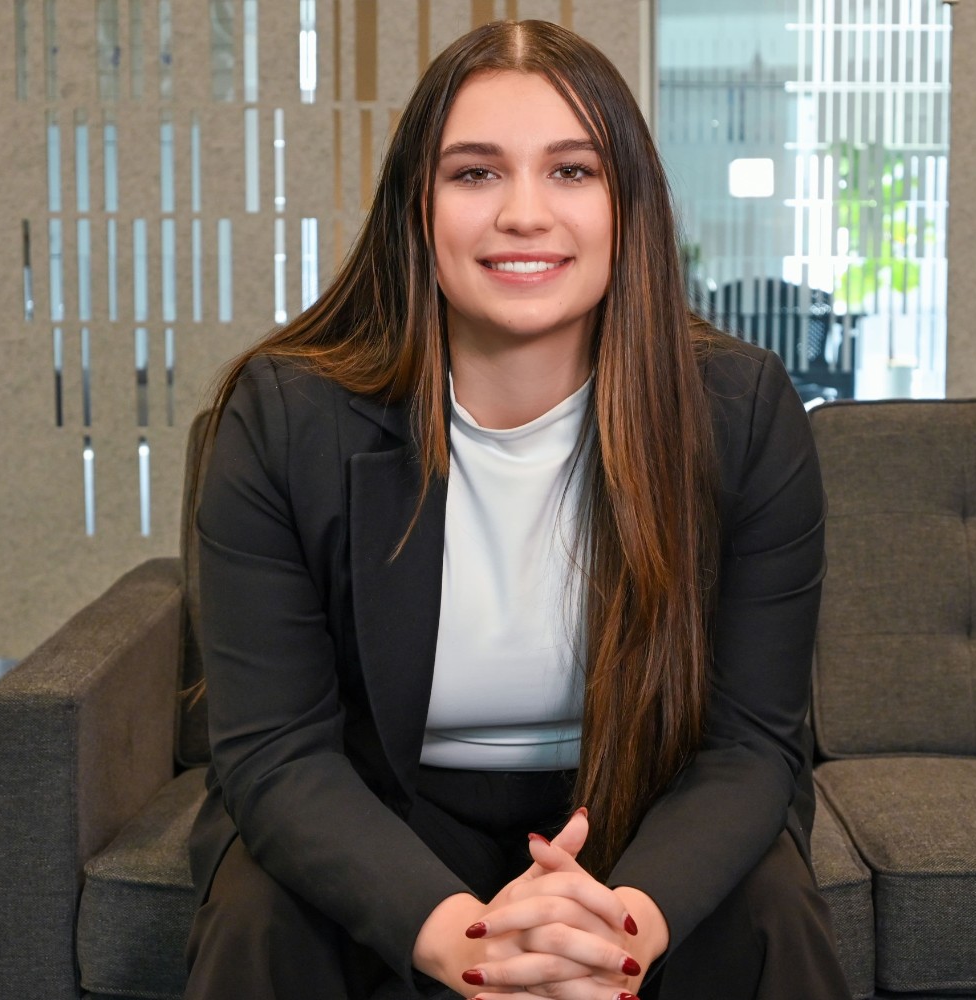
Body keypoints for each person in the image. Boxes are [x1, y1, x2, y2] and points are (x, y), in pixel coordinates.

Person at [183, 18, 850, 1000]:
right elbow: (277, 752)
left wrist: (622, 932)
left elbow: (752, 746)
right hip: (380, 809)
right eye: (476, 173)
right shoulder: (285, 418)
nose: (524, 214)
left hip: (639, 807)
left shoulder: (740, 415)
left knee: (769, 908)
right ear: (417, 208)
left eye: (572, 171)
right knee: (259, 912)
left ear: (628, 206)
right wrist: (462, 937)